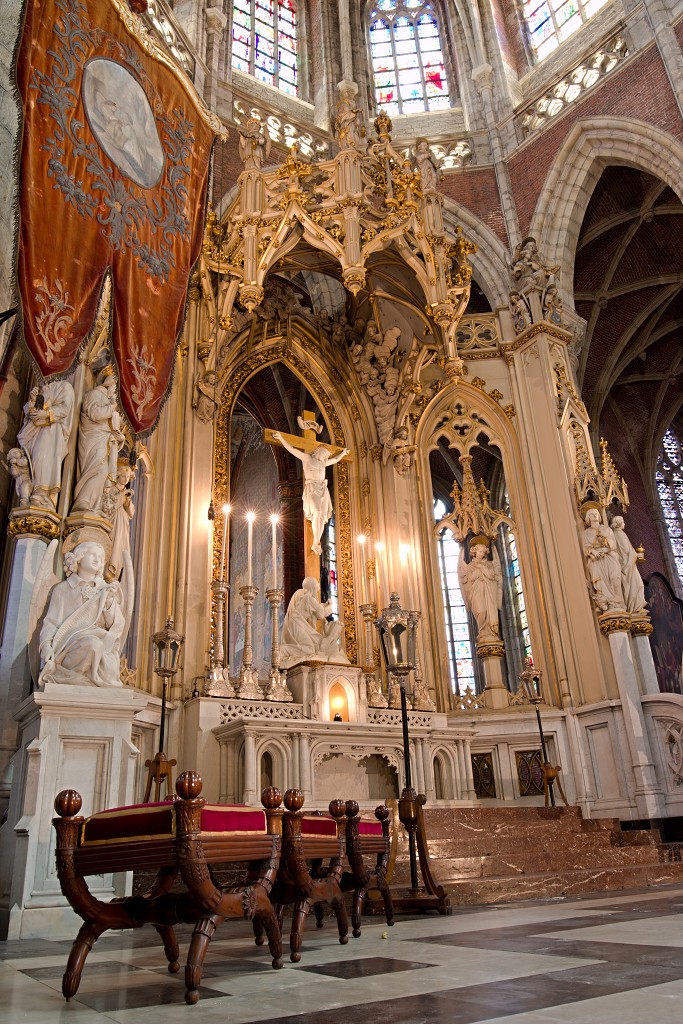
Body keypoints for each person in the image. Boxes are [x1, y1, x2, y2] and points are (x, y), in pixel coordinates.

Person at [39, 541, 126, 687]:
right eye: (93, 555)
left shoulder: (105, 589)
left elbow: (115, 625)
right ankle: (69, 675)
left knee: (104, 656)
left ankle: (79, 677)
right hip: (70, 642)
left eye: (101, 557)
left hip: (102, 639)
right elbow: (51, 622)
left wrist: (109, 601)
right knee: (92, 645)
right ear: (79, 557)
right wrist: (46, 645)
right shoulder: (63, 589)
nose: (98, 560)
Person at [272, 432, 349, 555]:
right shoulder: (307, 458)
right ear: (318, 451)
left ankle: (316, 542)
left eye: (326, 456)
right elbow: (292, 449)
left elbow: (335, 460)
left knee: (322, 516)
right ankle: (316, 541)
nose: (325, 457)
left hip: (323, 489)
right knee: (317, 512)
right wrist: (281, 438)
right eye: (324, 454)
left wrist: (343, 453)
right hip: (312, 488)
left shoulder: (323, 463)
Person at [72, 366, 125, 515]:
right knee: (98, 471)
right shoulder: (95, 394)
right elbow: (95, 414)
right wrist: (113, 406)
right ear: (110, 383)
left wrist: (119, 438)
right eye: (116, 387)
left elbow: (116, 428)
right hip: (93, 438)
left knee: (104, 475)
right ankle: (84, 501)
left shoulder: (112, 404)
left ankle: (95, 506)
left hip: (106, 442)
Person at [16, 380, 74, 509]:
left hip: (52, 430)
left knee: (43, 457)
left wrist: (47, 413)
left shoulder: (65, 386)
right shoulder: (40, 388)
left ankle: (42, 493)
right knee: (34, 459)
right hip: (35, 430)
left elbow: (65, 408)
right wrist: (32, 400)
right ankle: (31, 491)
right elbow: (29, 412)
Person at [279, 577, 347, 668]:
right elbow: (321, 614)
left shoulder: (299, 594)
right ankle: (282, 650)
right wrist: (330, 607)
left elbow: (314, 609)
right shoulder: (309, 598)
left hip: (293, 624)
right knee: (309, 648)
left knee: (308, 646)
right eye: (316, 589)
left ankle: (283, 651)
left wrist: (322, 606)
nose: (317, 592)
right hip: (298, 625)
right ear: (313, 588)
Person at [457, 538, 503, 643]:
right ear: (474, 552)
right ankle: (482, 632)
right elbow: (470, 578)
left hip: (489, 593)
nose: (481, 554)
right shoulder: (470, 566)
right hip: (477, 592)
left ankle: (490, 633)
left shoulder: (490, 564)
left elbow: (494, 576)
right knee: (480, 611)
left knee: (491, 614)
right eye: (479, 552)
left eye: (483, 552)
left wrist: (483, 569)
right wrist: (480, 571)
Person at [582, 508, 624, 613]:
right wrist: (594, 552)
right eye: (591, 514)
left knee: (615, 578)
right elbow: (585, 548)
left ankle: (617, 602)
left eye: (596, 514)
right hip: (596, 560)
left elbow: (614, 544)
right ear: (588, 518)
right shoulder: (586, 533)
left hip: (609, 556)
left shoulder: (607, 529)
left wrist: (605, 542)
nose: (594, 516)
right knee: (600, 582)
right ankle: (606, 603)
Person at [611, 515, 647, 614]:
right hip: (627, 566)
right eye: (622, 521)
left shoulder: (617, 533)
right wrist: (637, 554)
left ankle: (636, 608)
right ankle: (635, 608)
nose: (624, 523)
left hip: (628, 564)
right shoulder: (619, 534)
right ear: (618, 523)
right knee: (638, 585)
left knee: (637, 585)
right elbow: (625, 552)